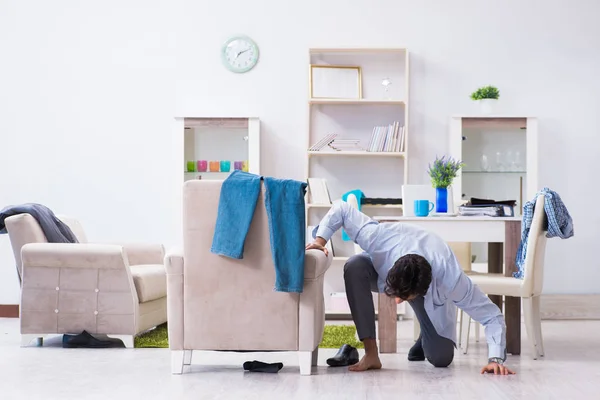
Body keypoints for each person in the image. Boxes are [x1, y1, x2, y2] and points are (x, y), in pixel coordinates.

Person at [306, 201, 515, 375]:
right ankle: (371, 353)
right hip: (388, 264)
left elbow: (491, 315)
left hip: (431, 288)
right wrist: (319, 240)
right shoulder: (378, 239)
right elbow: (342, 209)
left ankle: (425, 333)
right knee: (354, 266)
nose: (396, 302)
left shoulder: (451, 280)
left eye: (402, 297)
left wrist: (495, 358)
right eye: (395, 294)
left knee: (441, 359)